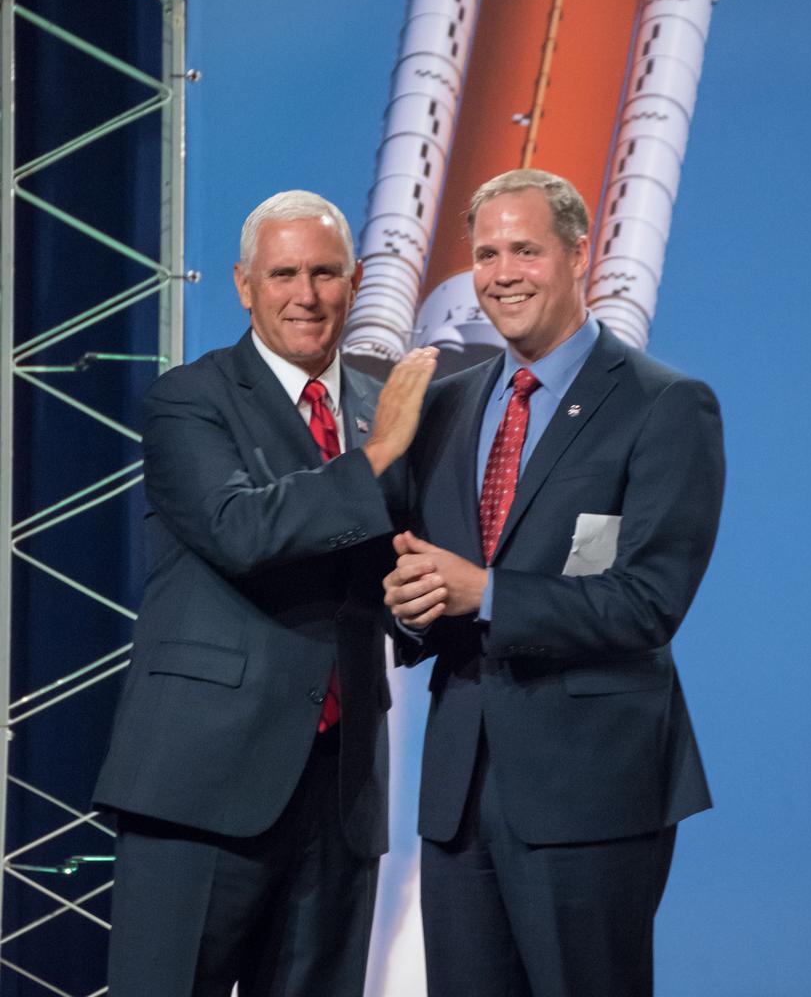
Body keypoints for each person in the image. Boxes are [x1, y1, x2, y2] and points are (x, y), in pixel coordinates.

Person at [384, 169, 725, 997]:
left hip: (591, 789)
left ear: (579, 254)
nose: (502, 274)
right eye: (486, 254)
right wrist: (411, 608)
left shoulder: (664, 405)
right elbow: (419, 579)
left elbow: (647, 604)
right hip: (460, 792)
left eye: (525, 251)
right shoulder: (442, 408)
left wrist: (485, 592)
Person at [94, 189, 437, 997]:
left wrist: (423, 606)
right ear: (244, 286)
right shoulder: (191, 399)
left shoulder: (382, 408)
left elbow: (405, 563)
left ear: (354, 281)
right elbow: (239, 530)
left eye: (324, 273)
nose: (305, 295)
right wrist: (378, 454)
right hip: (201, 781)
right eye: (283, 274)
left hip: (340, 793)